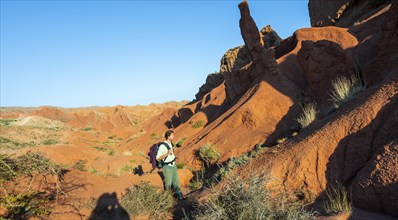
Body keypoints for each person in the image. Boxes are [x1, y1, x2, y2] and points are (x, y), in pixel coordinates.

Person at [156, 130, 184, 200]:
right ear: (168, 137)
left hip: (173, 165)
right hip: (167, 167)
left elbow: (171, 153)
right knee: (168, 184)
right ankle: (167, 200)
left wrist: (172, 151)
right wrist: (167, 153)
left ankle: (180, 197)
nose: (174, 136)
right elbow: (158, 158)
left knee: (176, 182)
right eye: (172, 135)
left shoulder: (171, 143)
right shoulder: (162, 146)